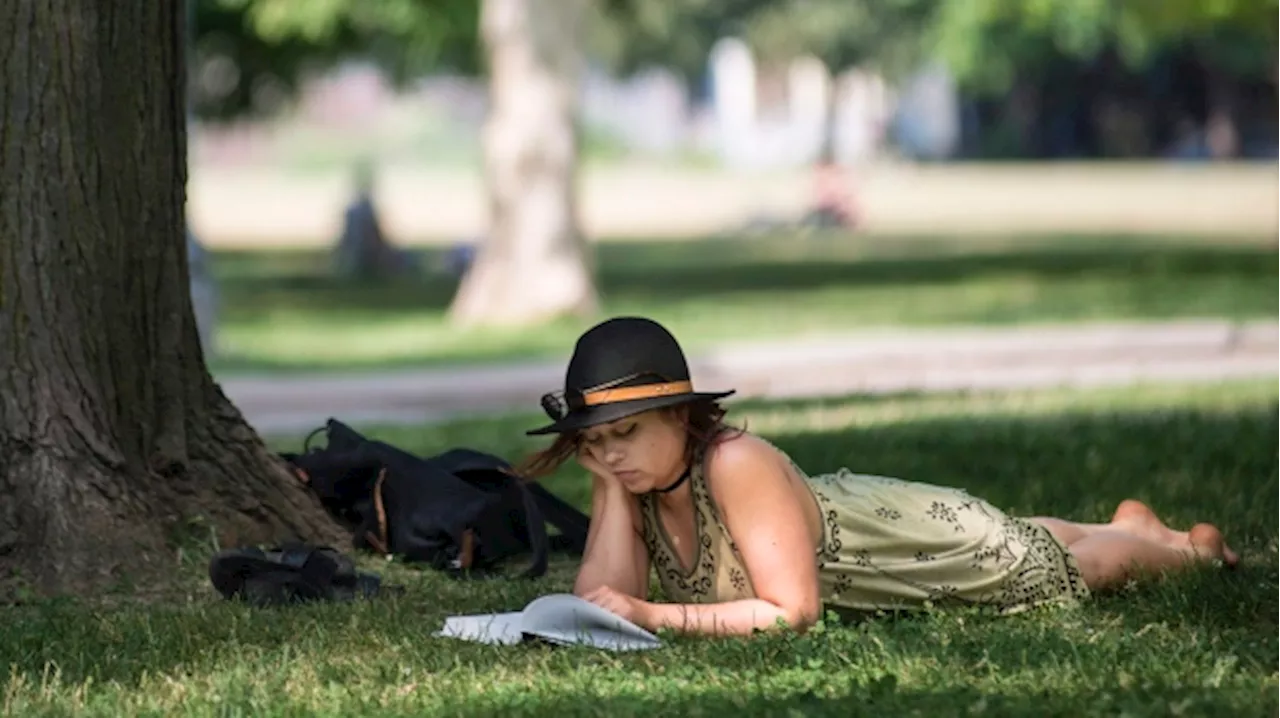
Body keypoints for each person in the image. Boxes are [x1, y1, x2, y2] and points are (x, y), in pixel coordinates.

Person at [519, 316, 1240, 638]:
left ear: (681, 415)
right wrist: (611, 486)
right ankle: (1129, 523)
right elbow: (596, 606)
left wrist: (656, 617)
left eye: (627, 433)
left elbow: (789, 614)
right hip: (888, 526)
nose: (611, 452)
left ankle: (1179, 550)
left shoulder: (733, 463)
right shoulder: (637, 479)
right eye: (596, 441)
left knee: (1054, 570)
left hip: (920, 549)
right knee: (1028, 537)